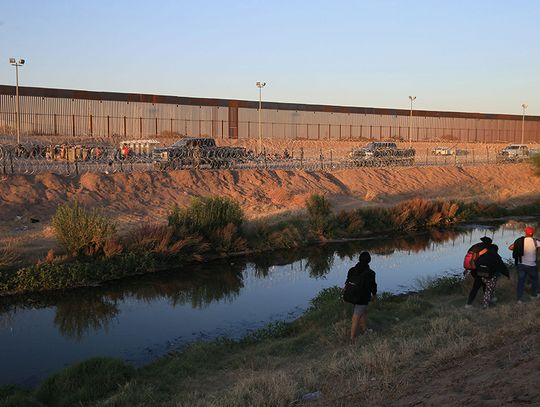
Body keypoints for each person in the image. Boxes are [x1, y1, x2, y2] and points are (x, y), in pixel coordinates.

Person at [343, 251, 377, 342]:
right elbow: (373, 286)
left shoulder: (352, 269)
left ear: (359, 259)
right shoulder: (370, 273)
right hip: (361, 297)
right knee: (356, 316)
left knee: (363, 311)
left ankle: (365, 329)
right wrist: (374, 295)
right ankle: (352, 338)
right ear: (369, 260)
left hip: (351, 295)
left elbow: (347, 281)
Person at [509, 226, 540, 303]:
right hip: (532, 265)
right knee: (535, 280)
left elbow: (510, 247)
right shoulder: (535, 241)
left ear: (525, 233)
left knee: (521, 282)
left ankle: (519, 299)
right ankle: (534, 295)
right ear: (532, 233)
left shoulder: (520, 241)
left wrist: (518, 247)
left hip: (521, 265)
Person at [474, 243, 509, 309]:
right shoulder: (495, 256)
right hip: (491, 276)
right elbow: (502, 266)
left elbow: (476, 263)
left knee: (490, 288)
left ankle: (492, 301)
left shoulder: (483, 255)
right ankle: (485, 305)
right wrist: (507, 274)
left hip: (481, 275)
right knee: (489, 290)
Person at [465, 236, 492, 308]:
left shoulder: (475, 246)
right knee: (480, 285)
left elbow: (468, 255)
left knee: (481, 285)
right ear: (489, 242)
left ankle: (470, 303)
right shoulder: (486, 248)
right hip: (480, 269)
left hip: (472, 268)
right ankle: (470, 304)